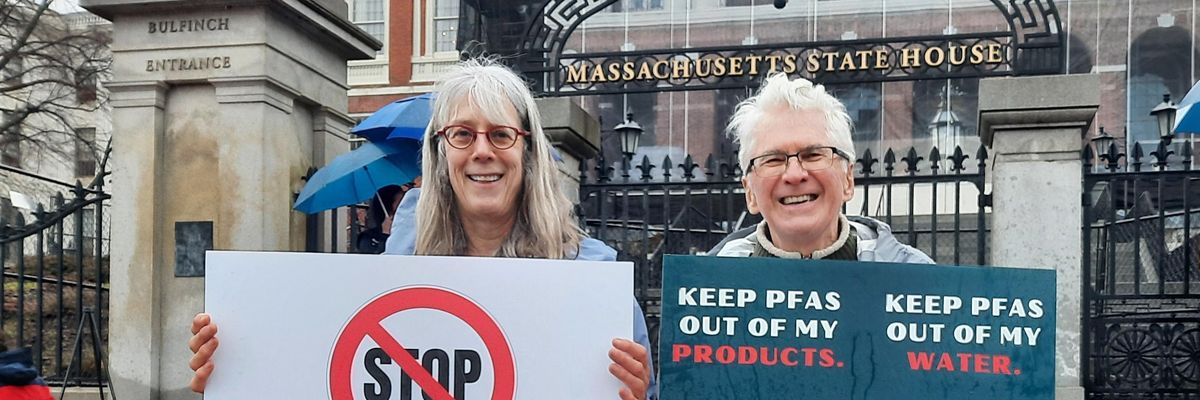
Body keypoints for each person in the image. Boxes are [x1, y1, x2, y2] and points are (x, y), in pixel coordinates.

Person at [189, 59, 657, 400]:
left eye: (500, 134)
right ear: (440, 153)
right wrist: (238, 371)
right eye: (462, 134)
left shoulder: (595, 285)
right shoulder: (386, 279)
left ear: (528, 152)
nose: (482, 151)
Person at [710, 73, 933, 264]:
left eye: (813, 155)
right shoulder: (702, 287)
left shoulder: (918, 280)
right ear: (750, 192)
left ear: (848, 179)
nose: (794, 175)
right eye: (773, 160)